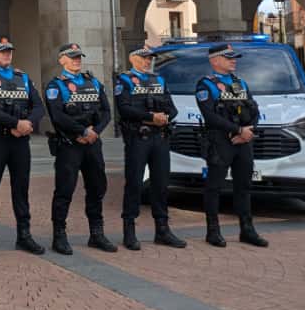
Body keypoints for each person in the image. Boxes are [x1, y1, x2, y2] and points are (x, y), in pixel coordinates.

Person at [0, 35, 45, 257]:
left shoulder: (22, 77)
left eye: (9, 51)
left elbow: (38, 106)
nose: (7, 54)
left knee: (21, 188)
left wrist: (28, 124)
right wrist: (15, 123)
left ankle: (24, 235)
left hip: (20, 141)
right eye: (2, 51)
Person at [44, 42, 117, 255]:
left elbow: (106, 111)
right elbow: (57, 116)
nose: (77, 60)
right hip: (70, 145)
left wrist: (95, 131)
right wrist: (82, 132)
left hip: (93, 144)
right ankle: (59, 235)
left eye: (79, 56)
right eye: (72, 56)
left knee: (96, 188)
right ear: (62, 60)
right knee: (64, 190)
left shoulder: (92, 81)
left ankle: (96, 234)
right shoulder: (55, 86)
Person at [195, 43, 268, 248]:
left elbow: (254, 109)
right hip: (220, 142)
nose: (233, 60)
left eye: (234, 57)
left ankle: (247, 230)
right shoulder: (206, 85)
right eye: (228, 57)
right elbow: (209, 115)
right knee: (214, 187)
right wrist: (237, 131)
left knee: (244, 186)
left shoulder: (240, 83)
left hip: (243, 142)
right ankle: (213, 231)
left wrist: (248, 132)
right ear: (215, 60)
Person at [115, 46, 186, 250]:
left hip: (160, 138)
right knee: (135, 184)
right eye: (144, 58)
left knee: (161, 184)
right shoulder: (125, 80)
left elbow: (172, 108)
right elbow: (124, 109)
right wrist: (150, 118)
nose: (148, 61)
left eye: (150, 58)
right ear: (133, 58)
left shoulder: (159, 80)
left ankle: (162, 230)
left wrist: (164, 118)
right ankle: (129, 231)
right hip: (138, 138)